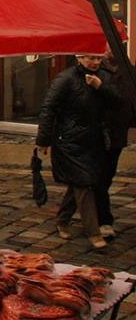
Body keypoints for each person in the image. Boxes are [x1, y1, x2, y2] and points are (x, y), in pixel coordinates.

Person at [37, 54, 118, 249]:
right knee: (84, 183)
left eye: (99, 59)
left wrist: (101, 87)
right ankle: (94, 233)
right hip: (68, 141)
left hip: (94, 140)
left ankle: (62, 220)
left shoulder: (103, 77)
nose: (95, 62)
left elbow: (118, 102)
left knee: (79, 183)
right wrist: (43, 140)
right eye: (91, 58)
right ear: (79, 57)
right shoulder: (65, 78)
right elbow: (49, 108)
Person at [58, 45, 136, 240]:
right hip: (92, 134)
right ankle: (102, 223)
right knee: (90, 180)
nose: (108, 50)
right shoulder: (87, 72)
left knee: (95, 179)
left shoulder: (127, 71)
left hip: (115, 134)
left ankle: (64, 217)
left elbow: (124, 101)